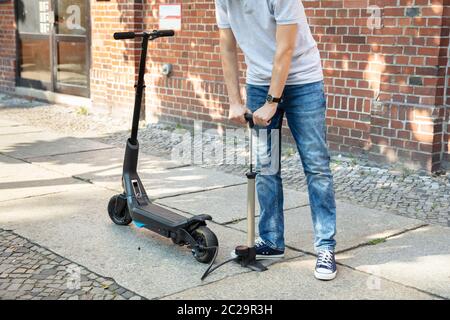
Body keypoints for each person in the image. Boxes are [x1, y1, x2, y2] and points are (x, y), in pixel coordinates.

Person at [215, 0, 337, 280]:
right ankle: (271, 240)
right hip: (258, 83)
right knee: (265, 166)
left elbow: (285, 49)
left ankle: (325, 247)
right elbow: (227, 46)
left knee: (316, 166)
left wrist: (272, 102)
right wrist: (235, 101)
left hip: (303, 82)